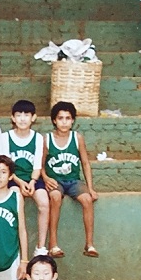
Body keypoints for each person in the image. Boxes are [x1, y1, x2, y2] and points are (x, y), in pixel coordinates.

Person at [43, 102, 99, 258]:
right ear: (54, 120)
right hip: (56, 181)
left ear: (73, 120)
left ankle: (89, 244)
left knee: (87, 199)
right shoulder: (46, 139)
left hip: (74, 180)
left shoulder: (77, 138)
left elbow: (85, 163)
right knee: (55, 197)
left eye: (68, 118)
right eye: (60, 118)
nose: (64, 122)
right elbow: (39, 166)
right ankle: (53, 244)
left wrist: (90, 187)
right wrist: (46, 178)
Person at [0, 100, 50, 256]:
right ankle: (14, 245)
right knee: (15, 200)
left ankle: (40, 247)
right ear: (12, 118)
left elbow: (37, 165)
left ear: (33, 118)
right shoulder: (5, 137)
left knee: (44, 203)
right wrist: (19, 182)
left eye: (26, 115)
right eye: (18, 115)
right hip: (13, 178)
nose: (22, 119)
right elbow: (6, 165)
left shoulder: (38, 138)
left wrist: (32, 182)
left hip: (33, 178)